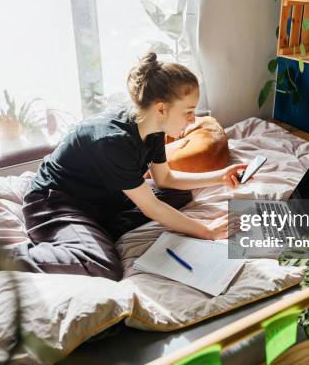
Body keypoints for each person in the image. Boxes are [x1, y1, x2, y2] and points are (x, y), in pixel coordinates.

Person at [22, 52, 246, 281]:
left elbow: (166, 179)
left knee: (178, 195)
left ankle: (93, 230)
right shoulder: (112, 141)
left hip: (104, 198)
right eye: (188, 111)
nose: (193, 119)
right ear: (161, 108)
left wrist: (220, 176)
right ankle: (8, 256)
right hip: (55, 202)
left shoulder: (154, 127)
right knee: (103, 266)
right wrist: (206, 231)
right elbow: (152, 208)